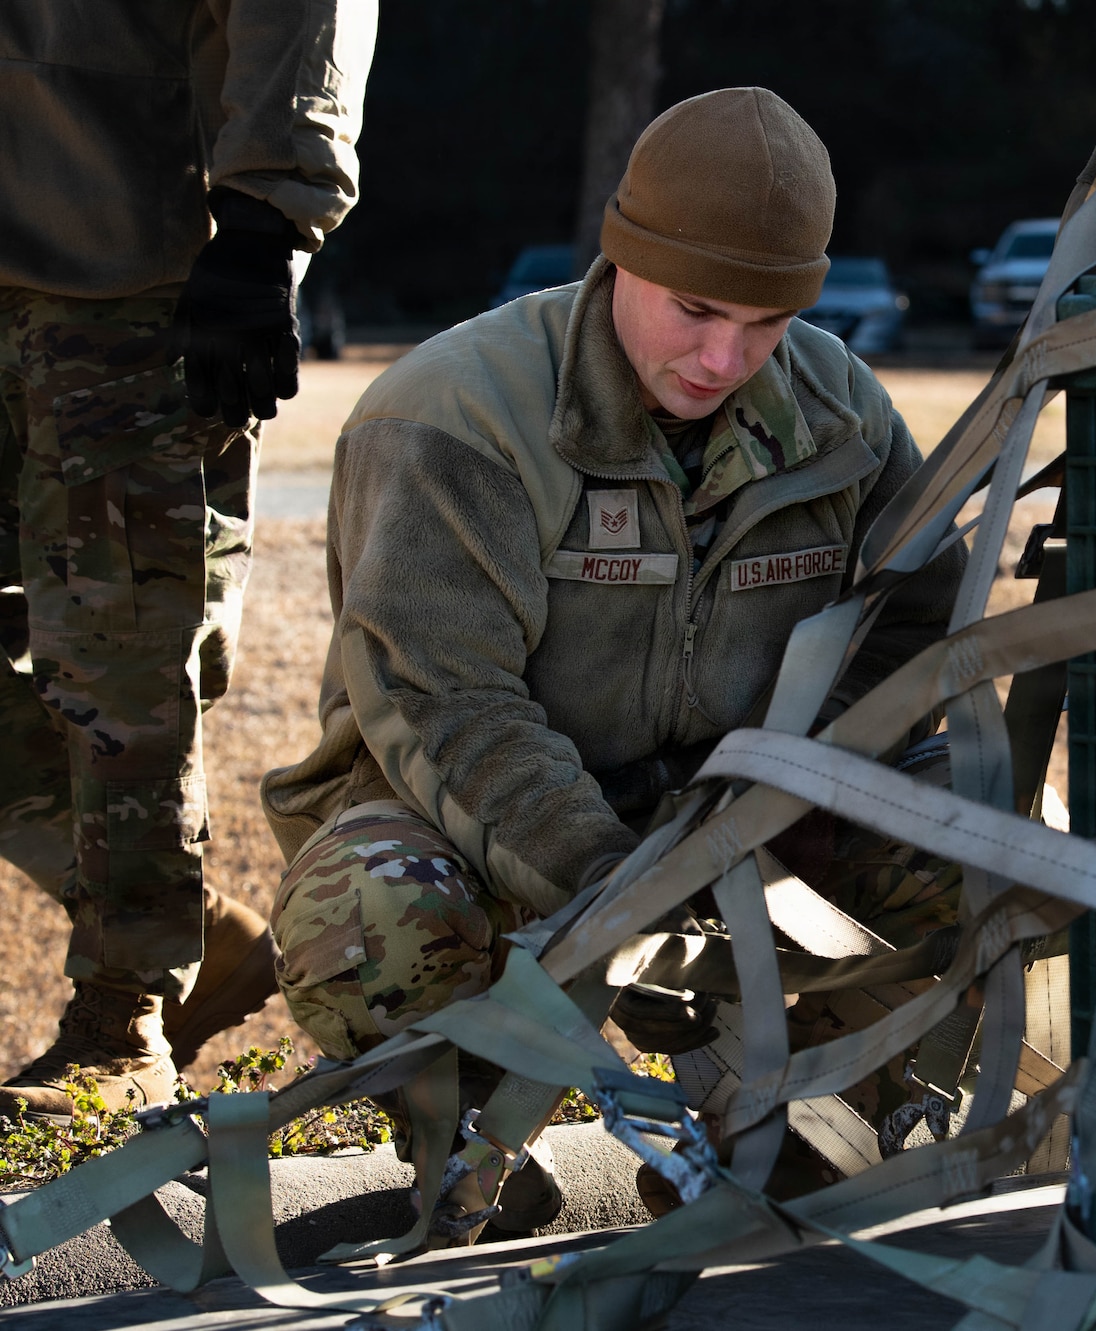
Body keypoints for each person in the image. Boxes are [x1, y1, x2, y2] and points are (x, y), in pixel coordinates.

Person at [259, 88, 965, 1208]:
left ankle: (791, 1099)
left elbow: (920, 620)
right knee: (372, 911)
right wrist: (624, 886)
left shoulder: (839, 407)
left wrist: (798, 784)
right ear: (620, 256)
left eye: (766, 323)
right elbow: (446, 703)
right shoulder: (458, 416)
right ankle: (478, 1123)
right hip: (492, 825)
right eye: (693, 309)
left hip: (735, 814)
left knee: (988, 829)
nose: (725, 357)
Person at [0, 1, 376, 1116]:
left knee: (118, 650)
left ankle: (126, 1015)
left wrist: (266, 219)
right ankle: (194, 935)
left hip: (123, 272)